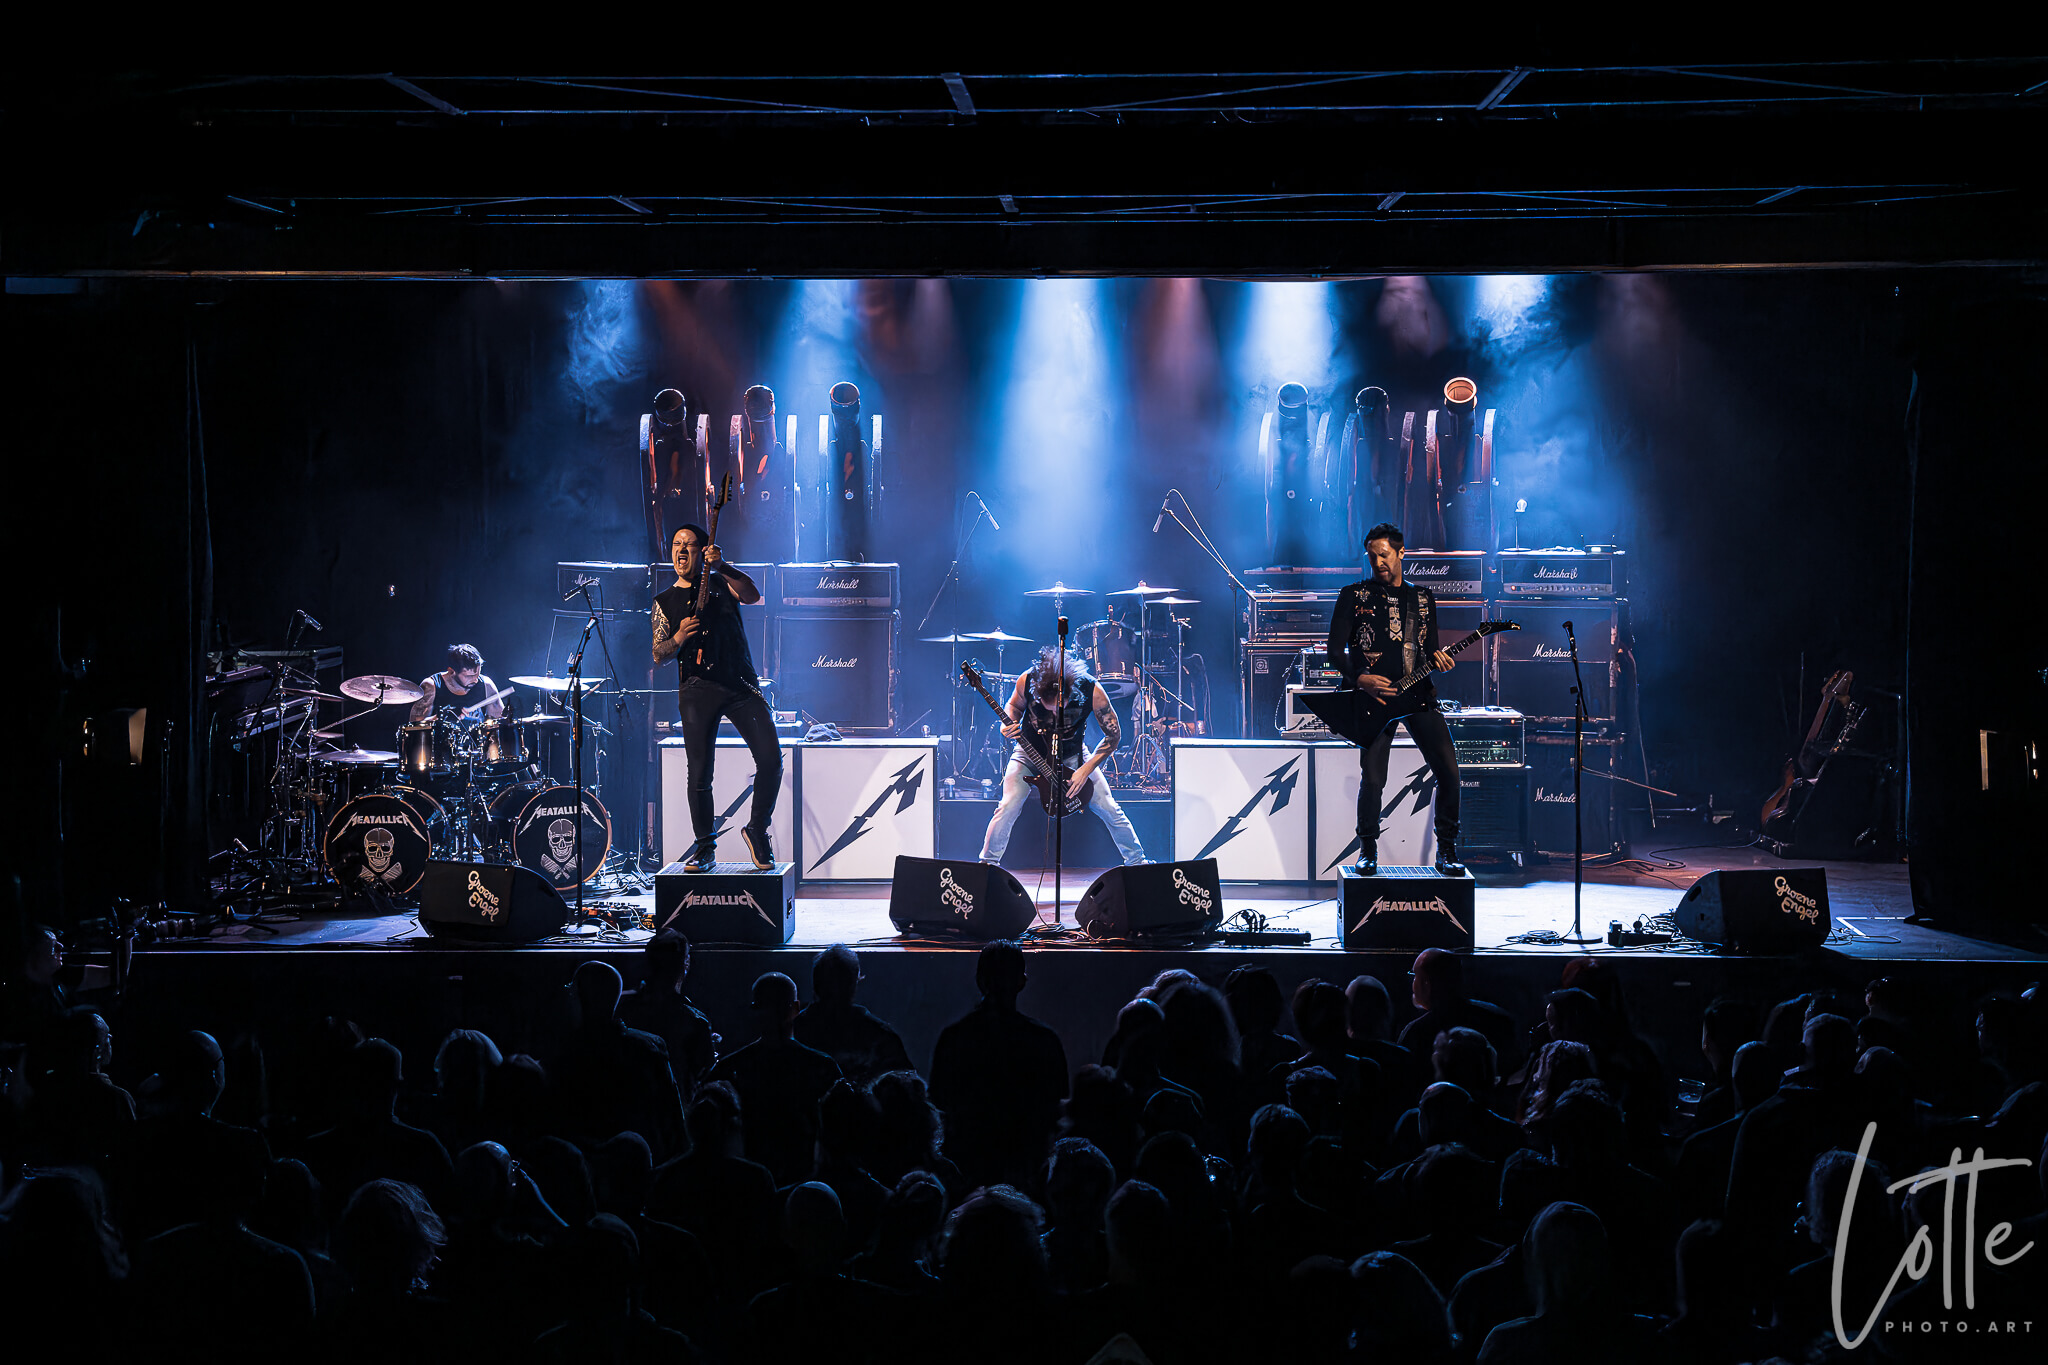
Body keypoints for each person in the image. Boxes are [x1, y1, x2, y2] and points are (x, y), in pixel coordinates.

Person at [1311, 522, 1464, 875]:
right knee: (1373, 779)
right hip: (1374, 701)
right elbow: (1334, 652)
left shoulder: (1423, 598)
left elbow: (1429, 650)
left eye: (1383, 555)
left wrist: (1440, 660)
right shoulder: (1353, 595)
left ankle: (1447, 851)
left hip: (1417, 694)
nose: (1378, 562)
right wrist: (1361, 679)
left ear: (1401, 553)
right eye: (1372, 556)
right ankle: (1368, 849)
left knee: (1449, 773)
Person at [653, 521, 779, 871]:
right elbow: (658, 653)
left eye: (689, 545)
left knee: (771, 759)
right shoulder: (664, 601)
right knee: (699, 774)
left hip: (740, 684)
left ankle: (757, 830)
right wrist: (679, 637)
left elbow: (753, 595)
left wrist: (722, 565)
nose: (681, 550)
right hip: (697, 689)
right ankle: (705, 847)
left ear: (703, 551)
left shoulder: (722, 581)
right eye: (676, 544)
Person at [977, 645, 1148, 868]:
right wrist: (1007, 724)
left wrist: (1085, 770)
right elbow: (1013, 706)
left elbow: (1113, 736)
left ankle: (1138, 863)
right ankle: (987, 865)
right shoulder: (1027, 681)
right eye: (1047, 708)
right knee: (1009, 804)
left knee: (1108, 806)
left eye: (1060, 708)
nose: (1055, 714)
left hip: (1074, 755)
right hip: (1029, 753)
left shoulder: (1092, 690)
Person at [928, 940, 1070, 1189]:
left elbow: (939, 1101)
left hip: (968, 1166)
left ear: (979, 981)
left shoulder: (954, 1037)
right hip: (1025, 1166)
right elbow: (1056, 1105)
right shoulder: (1044, 1040)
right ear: (1022, 982)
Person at [704, 972, 844, 1186]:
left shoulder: (731, 1068)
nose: (772, 1014)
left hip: (747, 1184)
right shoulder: (821, 1066)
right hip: (804, 1181)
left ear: (754, 1009)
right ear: (796, 1008)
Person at [793, 944, 914, 1088]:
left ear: (816, 984)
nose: (835, 989)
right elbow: (908, 1087)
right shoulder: (879, 1034)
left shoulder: (793, 1030)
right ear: (853, 984)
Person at [407, 642, 505, 724]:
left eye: (478, 674)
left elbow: (499, 723)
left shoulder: (486, 685)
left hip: (477, 742)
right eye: (469, 676)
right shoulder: (432, 685)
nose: (475, 680)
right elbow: (415, 727)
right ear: (451, 672)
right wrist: (443, 717)